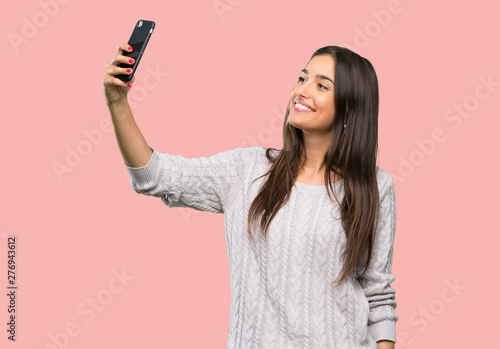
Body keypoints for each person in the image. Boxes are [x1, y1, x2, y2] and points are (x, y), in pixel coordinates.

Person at [103, 44, 399, 349]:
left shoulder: (376, 186)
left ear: (350, 109)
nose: (302, 90)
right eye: (302, 78)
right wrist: (118, 103)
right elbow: (153, 176)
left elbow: (377, 294)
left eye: (321, 85)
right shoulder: (248, 170)